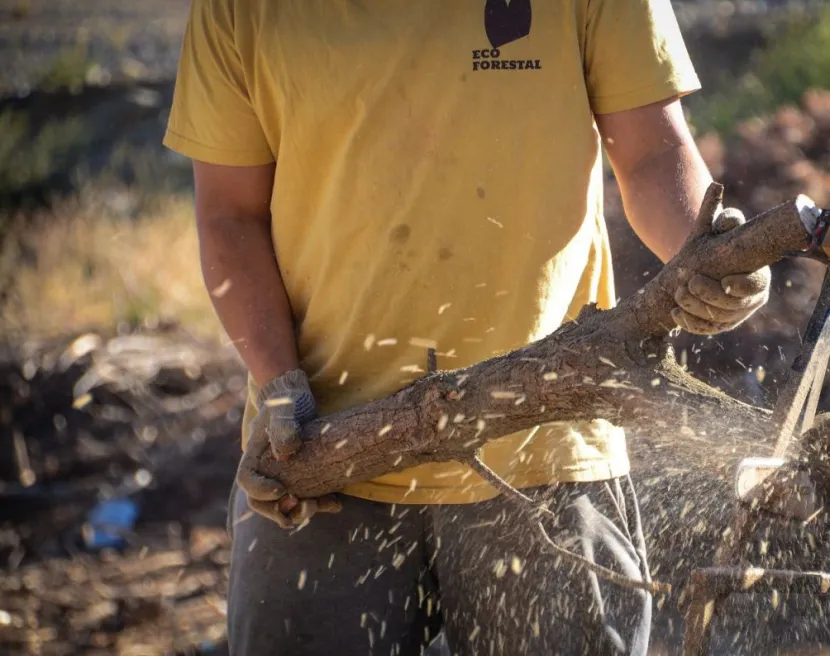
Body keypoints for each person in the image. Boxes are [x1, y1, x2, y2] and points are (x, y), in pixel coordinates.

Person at [163, 1, 771, 654]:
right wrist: (279, 384)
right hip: (323, 458)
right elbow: (230, 214)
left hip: (546, 449)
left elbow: (652, 154)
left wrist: (706, 253)